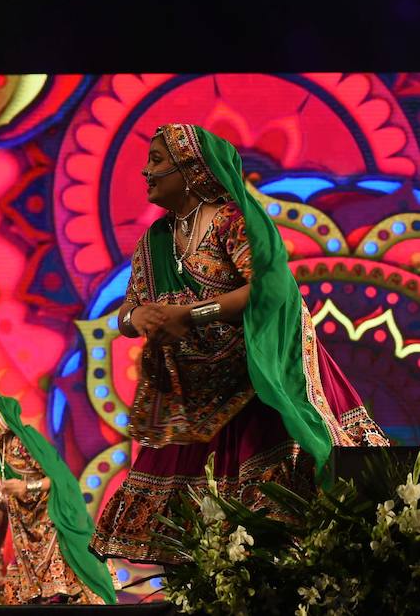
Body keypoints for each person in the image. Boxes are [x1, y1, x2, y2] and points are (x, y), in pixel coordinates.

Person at [91, 123, 389, 563]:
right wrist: (140, 317)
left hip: (259, 378)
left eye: (157, 161)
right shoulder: (153, 240)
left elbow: (267, 291)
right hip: (196, 396)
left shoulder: (231, 220)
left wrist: (190, 313)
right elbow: (127, 312)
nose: (144, 171)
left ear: (191, 170)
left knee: (278, 521)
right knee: (203, 544)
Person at [0, 391, 116, 605]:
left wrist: (26, 486)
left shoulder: (22, 442)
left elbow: (58, 479)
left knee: (70, 592)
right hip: (26, 532)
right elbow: (11, 486)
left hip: (50, 524)